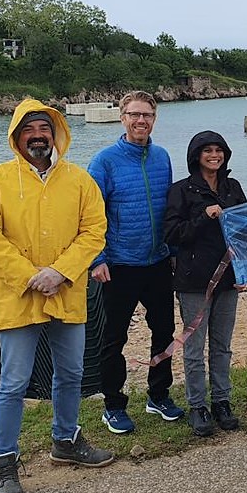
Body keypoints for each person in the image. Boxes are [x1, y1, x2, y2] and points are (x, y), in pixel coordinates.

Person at [0, 99, 114, 493]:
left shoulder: (80, 180)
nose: (38, 136)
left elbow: (94, 232)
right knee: (13, 382)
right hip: (17, 295)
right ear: (17, 136)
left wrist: (60, 272)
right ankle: (4, 460)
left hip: (66, 291)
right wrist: (29, 276)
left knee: (71, 373)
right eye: (29, 130)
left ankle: (66, 440)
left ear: (56, 135)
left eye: (45, 129)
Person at [88, 90, 184, 435]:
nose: (140, 120)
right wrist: (96, 259)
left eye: (146, 115)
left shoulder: (162, 157)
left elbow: (170, 210)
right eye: (134, 114)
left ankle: (158, 395)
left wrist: (173, 252)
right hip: (119, 264)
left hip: (157, 261)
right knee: (114, 339)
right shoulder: (104, 161)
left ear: (154, 119)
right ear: (122, 117)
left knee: (164, 332)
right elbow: (89, 214)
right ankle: (113, 405)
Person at [163, 131, 247, 437]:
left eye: (219, 150)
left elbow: (245, 231)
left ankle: (222, 401)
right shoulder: (181, 191)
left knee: (223, 345)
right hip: (193, 281)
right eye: (207, 151)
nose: (214, 155)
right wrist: (203, 216)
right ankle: (198, 406)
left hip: (228, 279)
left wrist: (244, 272)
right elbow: (172, 234)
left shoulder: (233, 187)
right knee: (194, 348)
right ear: (196, 155)